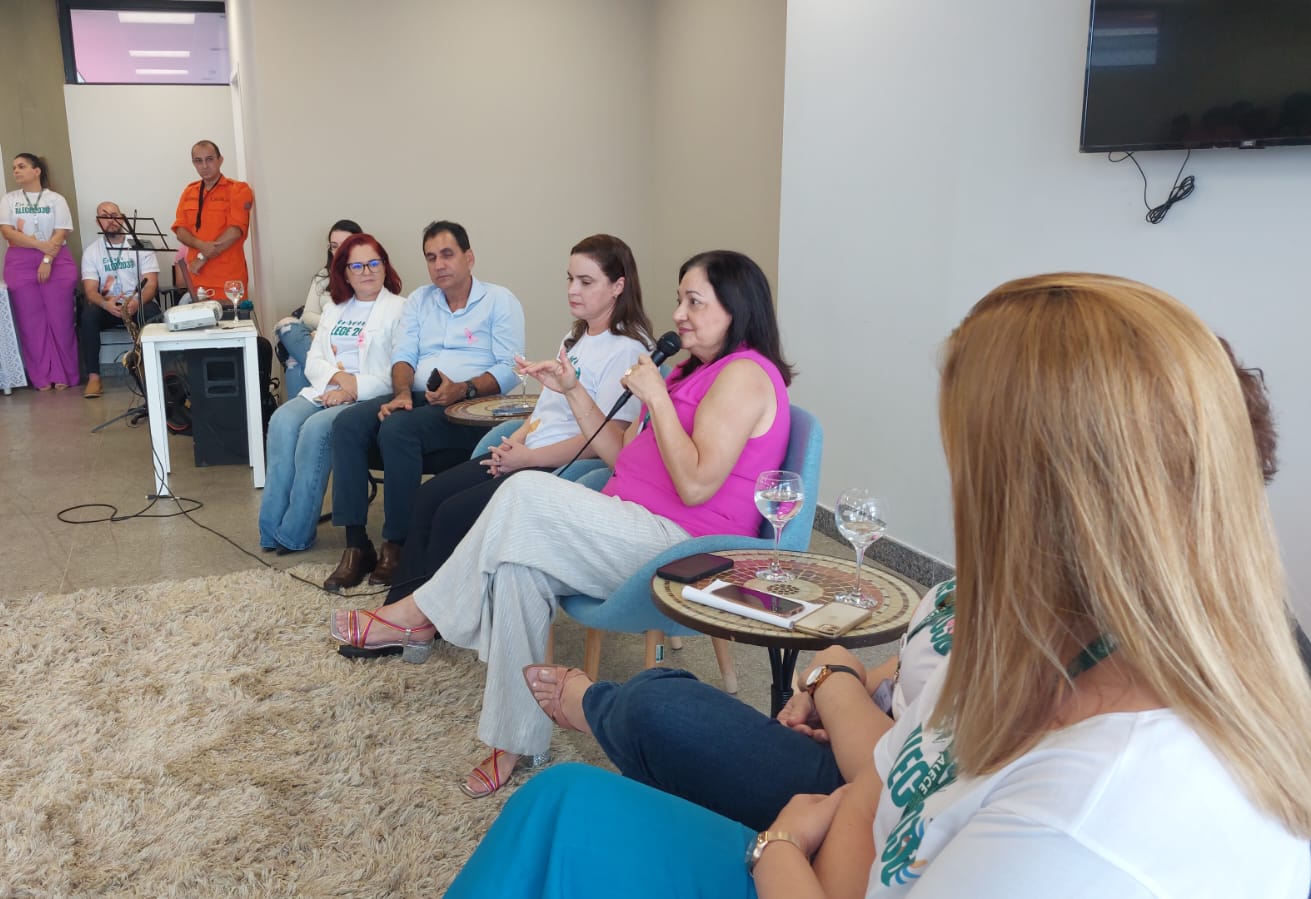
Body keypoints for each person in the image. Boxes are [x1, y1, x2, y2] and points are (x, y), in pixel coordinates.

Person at [447, 273, 1311, 898]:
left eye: (966, 463)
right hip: (846, 801)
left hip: (703, 594)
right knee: (566, 781)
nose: (957, 493)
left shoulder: (1085, 821)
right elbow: (896, 773)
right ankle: (466, 637)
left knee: (543, 553)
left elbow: (699, 486)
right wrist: (847, 704)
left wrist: (780, 841)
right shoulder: (1050, 647)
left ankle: (442, 626)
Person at [332, 250, 795, 798]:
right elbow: (620, 458)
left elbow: (695, 485)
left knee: (525, 491)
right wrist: (573, 389)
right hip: (629, 523)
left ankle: (420, 614)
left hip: (690, 551)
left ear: (737, 309)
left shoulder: (744, 374)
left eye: (695, 302)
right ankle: (517, 738)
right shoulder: (690, 370)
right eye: (679, 300)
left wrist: (657, 400)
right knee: (518, 569)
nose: (678, 315)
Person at [346, 234, 653, 657]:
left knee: (454, 514)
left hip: (557, 468)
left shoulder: (629, 351)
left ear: (618, 286)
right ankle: (401, 612)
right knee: (430, 497)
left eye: (586, 282)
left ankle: (420, 621)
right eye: (569, 279)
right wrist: (512, 444)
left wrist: (529, 458)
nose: (572, 290)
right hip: (527, 454)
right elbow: (544, 411)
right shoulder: (575, 339)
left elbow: (605, 440)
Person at [321, 221, 526, 591]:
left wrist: (463, 388)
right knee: (347, 424)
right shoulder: (419, 300)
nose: (439, 265)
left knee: (398, 429)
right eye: (431, 258)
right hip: (419, 397)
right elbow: (403, 356)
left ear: (469, 257)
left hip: (474, 406)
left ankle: (398, 545)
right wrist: (401, 393)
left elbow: (510, 368)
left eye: (447, 255)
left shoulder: (499, 300)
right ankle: (357, 545)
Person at [258, 233, 407, 554]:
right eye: (357, 266)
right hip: (326, 388)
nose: (367, 271)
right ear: (345, 273)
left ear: (385, 266)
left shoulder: (400, 309)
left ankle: (295, 532)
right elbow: (314, 359)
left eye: (374, 263)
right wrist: (338, 380)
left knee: (315, 429)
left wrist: (352, 388)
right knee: (282, 420)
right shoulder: (336, 309)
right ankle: (270, 529)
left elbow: (400, 369)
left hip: (369, 396)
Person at [0, 152, 77, 391]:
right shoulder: (9, 200)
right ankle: (41, 375)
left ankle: (64, 373)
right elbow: (7, 231)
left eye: (21, 166)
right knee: (31, 322)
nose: (16, 171)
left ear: (37, 171)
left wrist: (47, 258)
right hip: (20, 261)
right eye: (14, 167)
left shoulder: (56, 199)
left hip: (56, 259)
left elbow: (61, 232)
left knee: (60, 319)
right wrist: (39, 246)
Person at [78, 202, 160, 399]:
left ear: (122, 218)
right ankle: (94, 378)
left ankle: (153, 371)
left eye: (114, 215)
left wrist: (137, 303)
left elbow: (151, 284)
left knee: (153, 314)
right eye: (105, 217)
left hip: (136, 303)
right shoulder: (92, 251)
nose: (111, 220)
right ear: (98, 223)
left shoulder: (140, 245)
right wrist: (105, 304)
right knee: (88, 316)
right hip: (109, 306)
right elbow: (90, 290)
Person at [276, 218, 361, 397]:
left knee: (295, 364)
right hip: (317, 336)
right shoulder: (324, 275)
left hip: (345, 340)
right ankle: (332, 376)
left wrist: (330, 330)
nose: (339, 251)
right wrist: (323, 329)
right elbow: (308, 315)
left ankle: (325, 378)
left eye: (345, 245)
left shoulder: (365, 275)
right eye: (334, 246)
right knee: (287, 327)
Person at [171, 139, 254, 307]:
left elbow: (235, 231)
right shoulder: (189, 191)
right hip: (197, 280)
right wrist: (200, 245)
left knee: (231, 323)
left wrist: (203, 256)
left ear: (220, 160)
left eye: (209, 159)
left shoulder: (238, 189)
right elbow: (180, 230)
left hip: (228, 282)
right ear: (193, 163)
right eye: (198, 161)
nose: (204, 166)